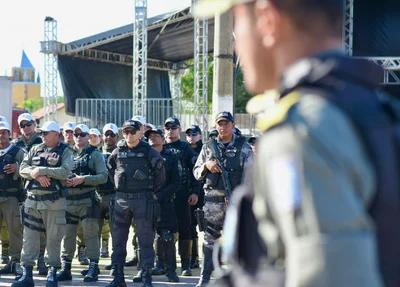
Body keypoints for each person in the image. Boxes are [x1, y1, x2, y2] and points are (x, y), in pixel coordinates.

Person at [195, 1, 400, 287]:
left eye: (237, 26)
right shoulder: (377, 110)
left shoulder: (302, 130)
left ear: (267, 19)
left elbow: (329, 276)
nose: (237, 46)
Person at [193, 111, 253, 287]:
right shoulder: (208, 147)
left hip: (235, 202)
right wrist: (206, 165)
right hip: (212, 202)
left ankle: (237, 279)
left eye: (226, 124)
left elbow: (252, 176)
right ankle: (204, 279)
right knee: (209, 241)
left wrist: (239, 197)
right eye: (220, 124)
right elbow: (196, 173)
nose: (223, 127)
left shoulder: (244, 147)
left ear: (233, 125)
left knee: (237, 240)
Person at [106, 120, 165, 287]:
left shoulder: (149, 152)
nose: (129, 135)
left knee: (145, 240)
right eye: (126, 132)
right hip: (121, 200)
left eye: (133, 132)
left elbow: (160, 176)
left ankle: (146, 276)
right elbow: (111, 171)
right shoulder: (118, 152)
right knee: (118, 240)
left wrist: (151, 193)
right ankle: (118, 277)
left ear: (140, 132)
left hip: (143, 200)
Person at [14, 121, 72, 287]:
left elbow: (65, 171)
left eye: (46, 133)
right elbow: (23, 168)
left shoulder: (65, 151)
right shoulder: (35, 149)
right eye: (42, 133)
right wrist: (35, 174)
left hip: (54, 202)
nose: (42, 136)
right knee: (29, 239)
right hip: (32, 201)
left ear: (56, 134)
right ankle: (27, 275)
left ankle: (52, 274)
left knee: (54, 239)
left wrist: (43, 170)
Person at [56, 124, 107, 282]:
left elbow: (103, 177)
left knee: (90, 235)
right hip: (69, 201)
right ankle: (66, 268)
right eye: (75, 134)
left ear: (88, 136)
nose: (78, 137)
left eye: (82, 134)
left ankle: (93, 268)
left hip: (87, 200)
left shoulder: (95, 154)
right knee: (68, 236)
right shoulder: (66, 152)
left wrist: (83, 179)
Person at [12, 113, 47, 276]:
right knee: (26, 228)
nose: (26, 127)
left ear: (35, 124)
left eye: (29, 124)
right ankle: (24, 262)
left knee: (42, 228)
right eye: (22, 125)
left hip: (41, 189)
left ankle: (41, 258)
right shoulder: (15, 144)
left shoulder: (43, 142)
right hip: (22, 191)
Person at [164, 117, 199, 276]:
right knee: (163, 230)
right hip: (164, 195)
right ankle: (164, 263)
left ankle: (186, 264)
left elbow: (196, 172)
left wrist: (195, 192)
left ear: (179, 129)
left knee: (185, 229)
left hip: (183, 194)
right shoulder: (159, 147)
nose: (170, 131)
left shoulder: (186, 148)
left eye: (174, 128)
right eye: (168, 128)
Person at [146, 128, 181, 282]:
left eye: (156, 136)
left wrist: (159, 195)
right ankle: (145, 271)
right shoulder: (142, 156)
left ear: (163, 138)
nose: (153, 138)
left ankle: (171, 271)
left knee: (166, 237)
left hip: (164, 202)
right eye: (150, 136)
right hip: (144, 202)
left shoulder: (172, 157)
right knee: (144, 238)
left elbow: (176, 182)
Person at [0, 121, 25, 275]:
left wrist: (18, 169)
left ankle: (15, 261)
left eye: (4, 132)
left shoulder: (18, 152)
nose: (1, 135)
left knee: (15, 230)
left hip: (11, 197)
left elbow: (30, 171)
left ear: (10, 134)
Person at [185, 125, 204, 269]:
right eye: (189, 134)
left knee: (209, 228)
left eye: (194, 134)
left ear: (201, 135)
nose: (191, 136)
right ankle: (193, 258)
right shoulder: (186, 150)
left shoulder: (206, 149)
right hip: (190, 192)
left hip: (205, 193)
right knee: (190, 226)